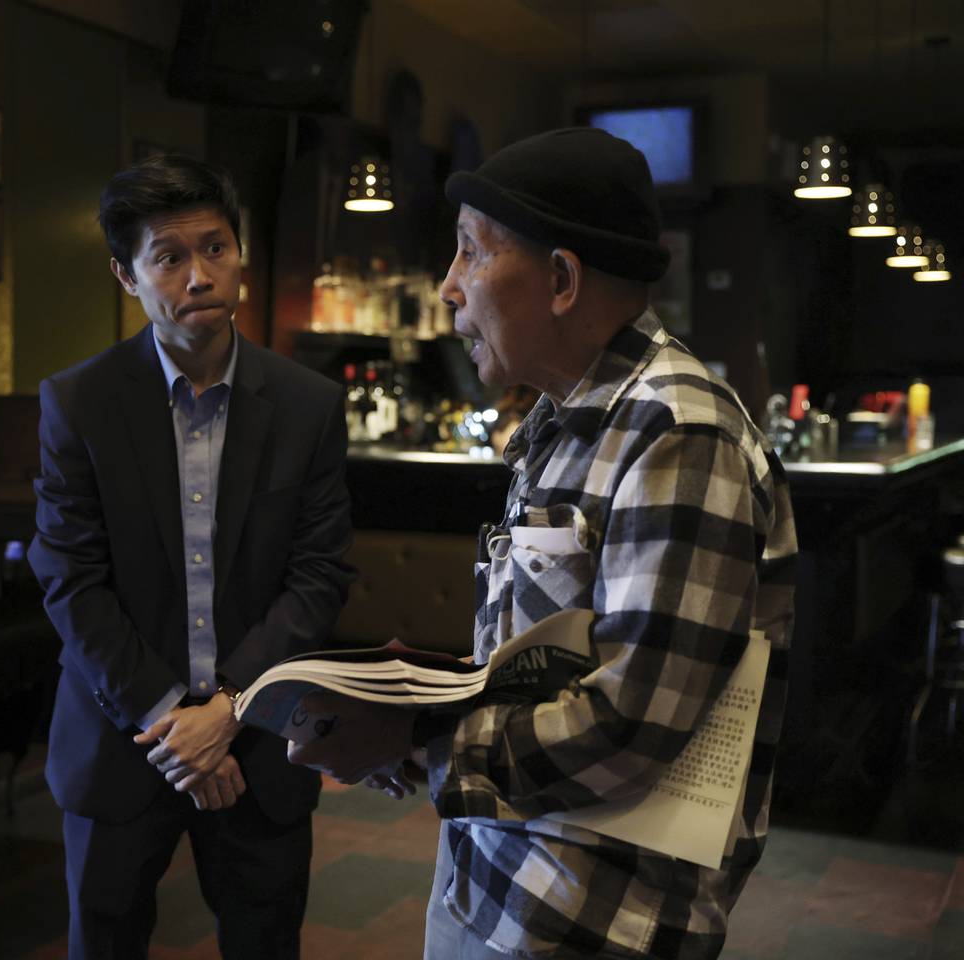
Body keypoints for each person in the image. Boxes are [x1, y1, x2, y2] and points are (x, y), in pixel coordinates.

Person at [288, 127, 797, 959]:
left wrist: (420, 739)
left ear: (561, 279)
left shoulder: (678, 433)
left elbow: (630, 725)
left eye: (470, 254)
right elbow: (552, 657)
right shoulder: (568, 414)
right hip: (498, 877)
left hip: (593, 922)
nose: (448, 286)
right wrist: (418, 694)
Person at [27, 153, 355, 960]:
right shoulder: (80, 402)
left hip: (261, 743)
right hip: (123, 739)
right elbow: (71, 580)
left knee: (266, 940)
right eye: (170, 257)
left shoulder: (308, 406)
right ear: (126, 276)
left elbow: (318, 576)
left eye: (216, 248)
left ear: (242, 256)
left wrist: (229, 711)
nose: (200, 275)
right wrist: (177, 724)